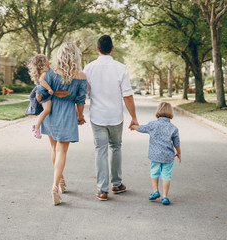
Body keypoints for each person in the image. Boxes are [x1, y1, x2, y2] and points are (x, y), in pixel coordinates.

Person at [84, 35, 138, 201]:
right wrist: (134, 118)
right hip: (115, 116)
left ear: (97, 49)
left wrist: (78, 114)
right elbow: (127, 95)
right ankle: (116, 183)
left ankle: (102, 190)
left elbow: (83, 94)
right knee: (116, 147)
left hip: (97, 116)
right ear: (112, 48)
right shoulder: (121, 67)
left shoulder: (88, 68)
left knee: (100, 150)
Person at [39, 42, 87, 206]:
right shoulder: (80, 76)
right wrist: (80, 116)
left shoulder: (51, 74)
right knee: (62, 150)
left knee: (54, 148)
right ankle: (54, 186)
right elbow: (81, 100)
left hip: (52, 112)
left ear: (59, 56)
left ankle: (59, 180)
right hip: (67, 113)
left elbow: (42, 93)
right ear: (76, 56)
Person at [130, 102, 181, 205]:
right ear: (170, 113)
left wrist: (133, 126)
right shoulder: (173, 128)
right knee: (166, 175)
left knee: (154, 172)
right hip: (168, 156)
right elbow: (177, 143)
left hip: (155, 155)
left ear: (158, 111)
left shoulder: (152, 124)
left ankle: (155, 191)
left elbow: (141, 128)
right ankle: (165, 197)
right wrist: (179, 152)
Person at [26, 54, 54, 139]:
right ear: (43, 63)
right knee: (47, 110)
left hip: (44, 94)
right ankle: (36, 126)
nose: (49, 61)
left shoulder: (45, 72)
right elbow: (41, 81)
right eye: (47, 60)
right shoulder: (44, 73)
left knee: (46, 110)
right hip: (45, 95)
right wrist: (49, 89)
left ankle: (36, 126)